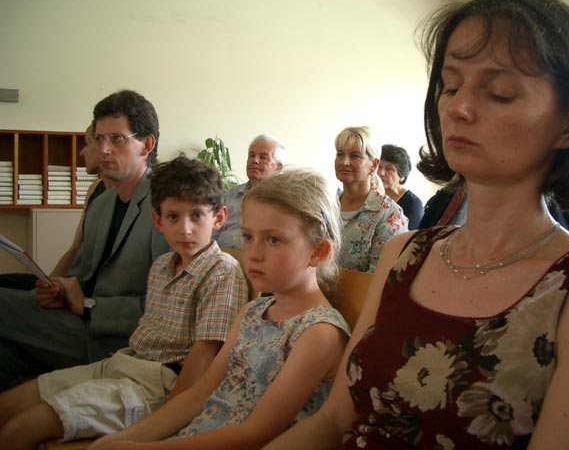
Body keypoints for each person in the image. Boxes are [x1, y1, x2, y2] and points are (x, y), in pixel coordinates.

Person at [265, 0, 569, 449]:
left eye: (498, 92)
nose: (458, 108)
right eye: (451, 84)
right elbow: (334, 420)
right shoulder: (404, 255)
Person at [86, 169, 350, 450]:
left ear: (318, 252)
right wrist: (123, 438)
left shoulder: (319, 332)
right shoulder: (253, 311)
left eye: (273, 240)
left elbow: (255, 434)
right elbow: (198, 394)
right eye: (248, 237)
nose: (254, 253)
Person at [0, 155, 248, 449]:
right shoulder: (162, 265)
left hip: (159, 383)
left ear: (218, 218)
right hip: (124, 362)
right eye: (173, 216)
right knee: (7, 405)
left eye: (196, 216)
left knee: (22, 429)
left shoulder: (222, 272)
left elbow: (204, 356)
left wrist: (166, 424)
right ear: (158, 220)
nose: (185, 229)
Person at [0, 89, 172, 392]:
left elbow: (168, 309)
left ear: (146, 145)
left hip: (116, 341)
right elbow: (82, 275)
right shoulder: (102, 202)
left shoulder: (168, 210)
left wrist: (89, 306)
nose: (103, 149)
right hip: (75, 325)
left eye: (117, 139)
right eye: (98, 139)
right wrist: (60, 290)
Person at [0, 123, 114, 290]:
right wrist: (48, 283)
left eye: (87, 143)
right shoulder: (94, 190)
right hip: (67, 283)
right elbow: (75, 248)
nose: (82, 152)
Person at [335, 126, 408, 273]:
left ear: (373, 165)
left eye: (355, 156)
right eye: (340, 154)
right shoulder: (325, 206)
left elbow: (379, 279)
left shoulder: (389, 215)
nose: (345, 162)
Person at [420, 182, 569, 239]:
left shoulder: (560, 198)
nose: (457, 108)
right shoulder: (446, 197)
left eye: (501, 96)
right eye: (451, 94)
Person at [212, 134, 286, 249]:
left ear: (278, 167)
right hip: (219, 260)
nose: (255, 160)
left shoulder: (284, 202)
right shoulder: (230, 195)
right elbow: (212, 234)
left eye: (263, 157)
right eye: (251, 155)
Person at [378, 144, 424, 230]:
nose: (381, 173)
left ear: (402, 176)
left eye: (389, 169)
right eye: (379, 167)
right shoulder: (372, 194)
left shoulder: (413, 203)